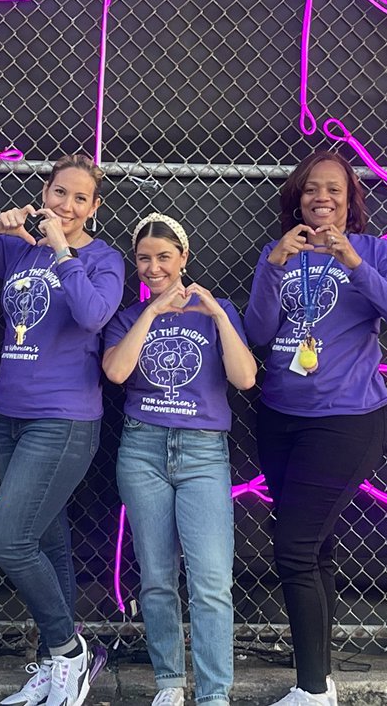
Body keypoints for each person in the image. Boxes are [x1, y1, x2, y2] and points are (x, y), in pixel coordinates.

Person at [0, 154, 124, 706]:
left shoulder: (103, 259)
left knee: (9, 540)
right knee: (47, 540)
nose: (67, 205)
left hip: (63, 420)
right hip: (9, 413)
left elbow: (91, 316)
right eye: (60, 193)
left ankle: (68, 650)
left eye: (80, 198)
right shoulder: (17, 247)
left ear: (93, 208)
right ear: (45, 192)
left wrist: (63, 250)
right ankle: (57, 661)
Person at [244, 150, 387, 706]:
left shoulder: (374, 251)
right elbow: (257, 332)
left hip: (346, 421)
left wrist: (354, 263)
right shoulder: (278, 254)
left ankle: (311, 690)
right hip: (279, 418)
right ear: (296, 199)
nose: (321, 198)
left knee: (294, 547)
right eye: (310, 190)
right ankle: (319, 680)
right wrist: (273, 267)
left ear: (350, 200)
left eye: (333, 190)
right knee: (315, 549)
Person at [102, 214, 256, 706]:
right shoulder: (128, 317)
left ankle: (214, 694)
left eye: (164, 257)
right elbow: (117, 372)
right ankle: (169, 683)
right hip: (143, 449)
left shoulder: (219, 310)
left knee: (210, 580)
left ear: (183, 258)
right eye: (144, 258)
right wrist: (150, 313)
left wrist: (214, 313)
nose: (153, 267)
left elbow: (245, 379)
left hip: (202, 453)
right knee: (156, 578)